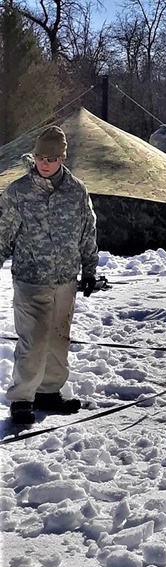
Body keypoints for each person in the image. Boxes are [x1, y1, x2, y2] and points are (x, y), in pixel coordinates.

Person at [0, 125, 99, 425]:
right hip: (31, 279)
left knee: (58, 338)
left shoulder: (76, 191)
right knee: (33, 339)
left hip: (65, 279)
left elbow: (87, 232)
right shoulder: (18, 192)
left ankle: (48, 392)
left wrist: (90, 269)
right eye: (41, 157)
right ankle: (21, 398)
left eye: (52, 158)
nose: (45, 163)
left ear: (62, 159)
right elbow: (2, 233)